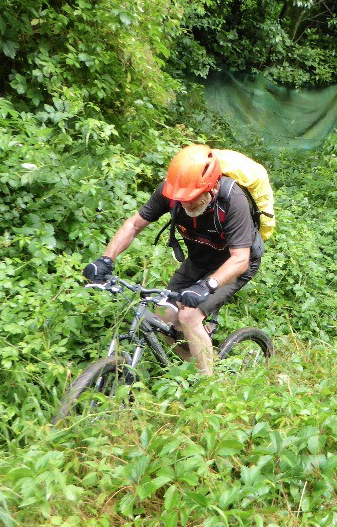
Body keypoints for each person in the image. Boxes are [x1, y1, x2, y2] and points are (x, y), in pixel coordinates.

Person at [82, 144, 264, 376]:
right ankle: (200, 360)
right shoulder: (172, 193)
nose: (186, 204)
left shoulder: (232, 200)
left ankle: (209, 387)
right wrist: (106, 259)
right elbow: (134, 224)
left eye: (193, 198)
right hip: (198, 259)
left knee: (189, 314)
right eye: (182, 199)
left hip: (234, 265)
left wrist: (207, 286)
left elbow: (241, 259)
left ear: (213, 188)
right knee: (163, 316)